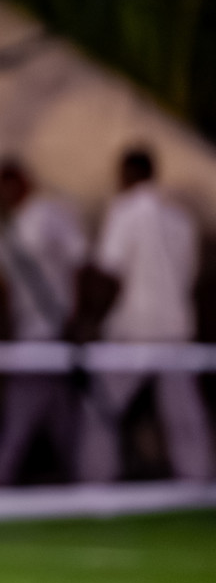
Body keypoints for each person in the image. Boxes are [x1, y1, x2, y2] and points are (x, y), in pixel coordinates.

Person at [78, 148, 213, 483]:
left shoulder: (126, 211)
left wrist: (89, 320)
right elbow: (190, 275)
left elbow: (110, 272)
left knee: (101, 408)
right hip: (174, 327)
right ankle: (198, 481)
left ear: (126, 174)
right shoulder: (180, 218)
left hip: (134, 328)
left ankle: (95, 480)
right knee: (184, 416)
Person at [0, 159, 86, 486]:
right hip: (29, 332)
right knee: (59, 415)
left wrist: (77, 316)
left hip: (53, 331)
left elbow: (79, 261)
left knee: (22, 411)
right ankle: (82, 477)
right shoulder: (5, 231)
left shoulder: (48, 213)